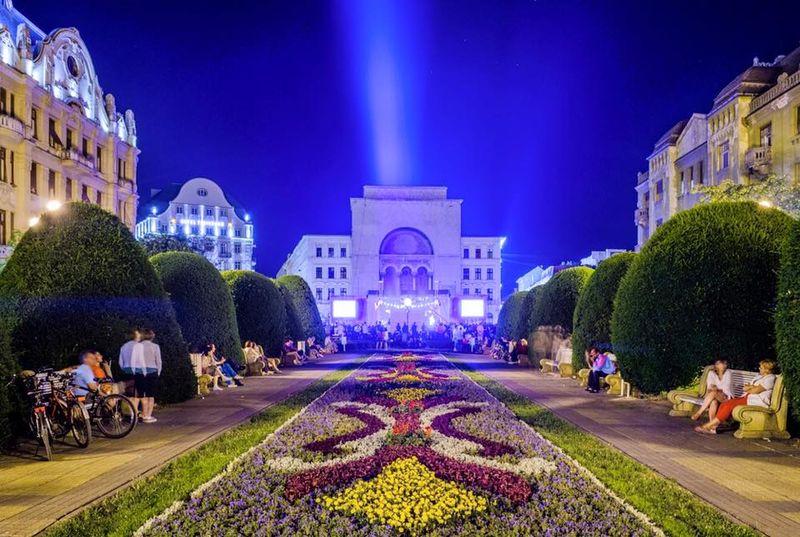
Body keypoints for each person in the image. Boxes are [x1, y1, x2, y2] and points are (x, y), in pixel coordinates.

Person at [696, 360, 778, 435]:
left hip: (757, 400)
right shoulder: (759, 377)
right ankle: (713, 428)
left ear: (767, 370)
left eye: (761, 367)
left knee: (729, 406)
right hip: (747, 397)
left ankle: (707, 426)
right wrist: (751, 387)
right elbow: (745, 388)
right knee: (725, 404)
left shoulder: (770, 378)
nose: (759, 368)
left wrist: (751, 388)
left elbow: (755, 391)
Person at [133, 329, 163, 423]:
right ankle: (147, 416)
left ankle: (135, 415)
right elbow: (159, 361)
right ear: (152, 336)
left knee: (139, 395)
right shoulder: (155, 347)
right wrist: (158, 372)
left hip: (140, 372)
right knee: (150, 395)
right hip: (152, 372)